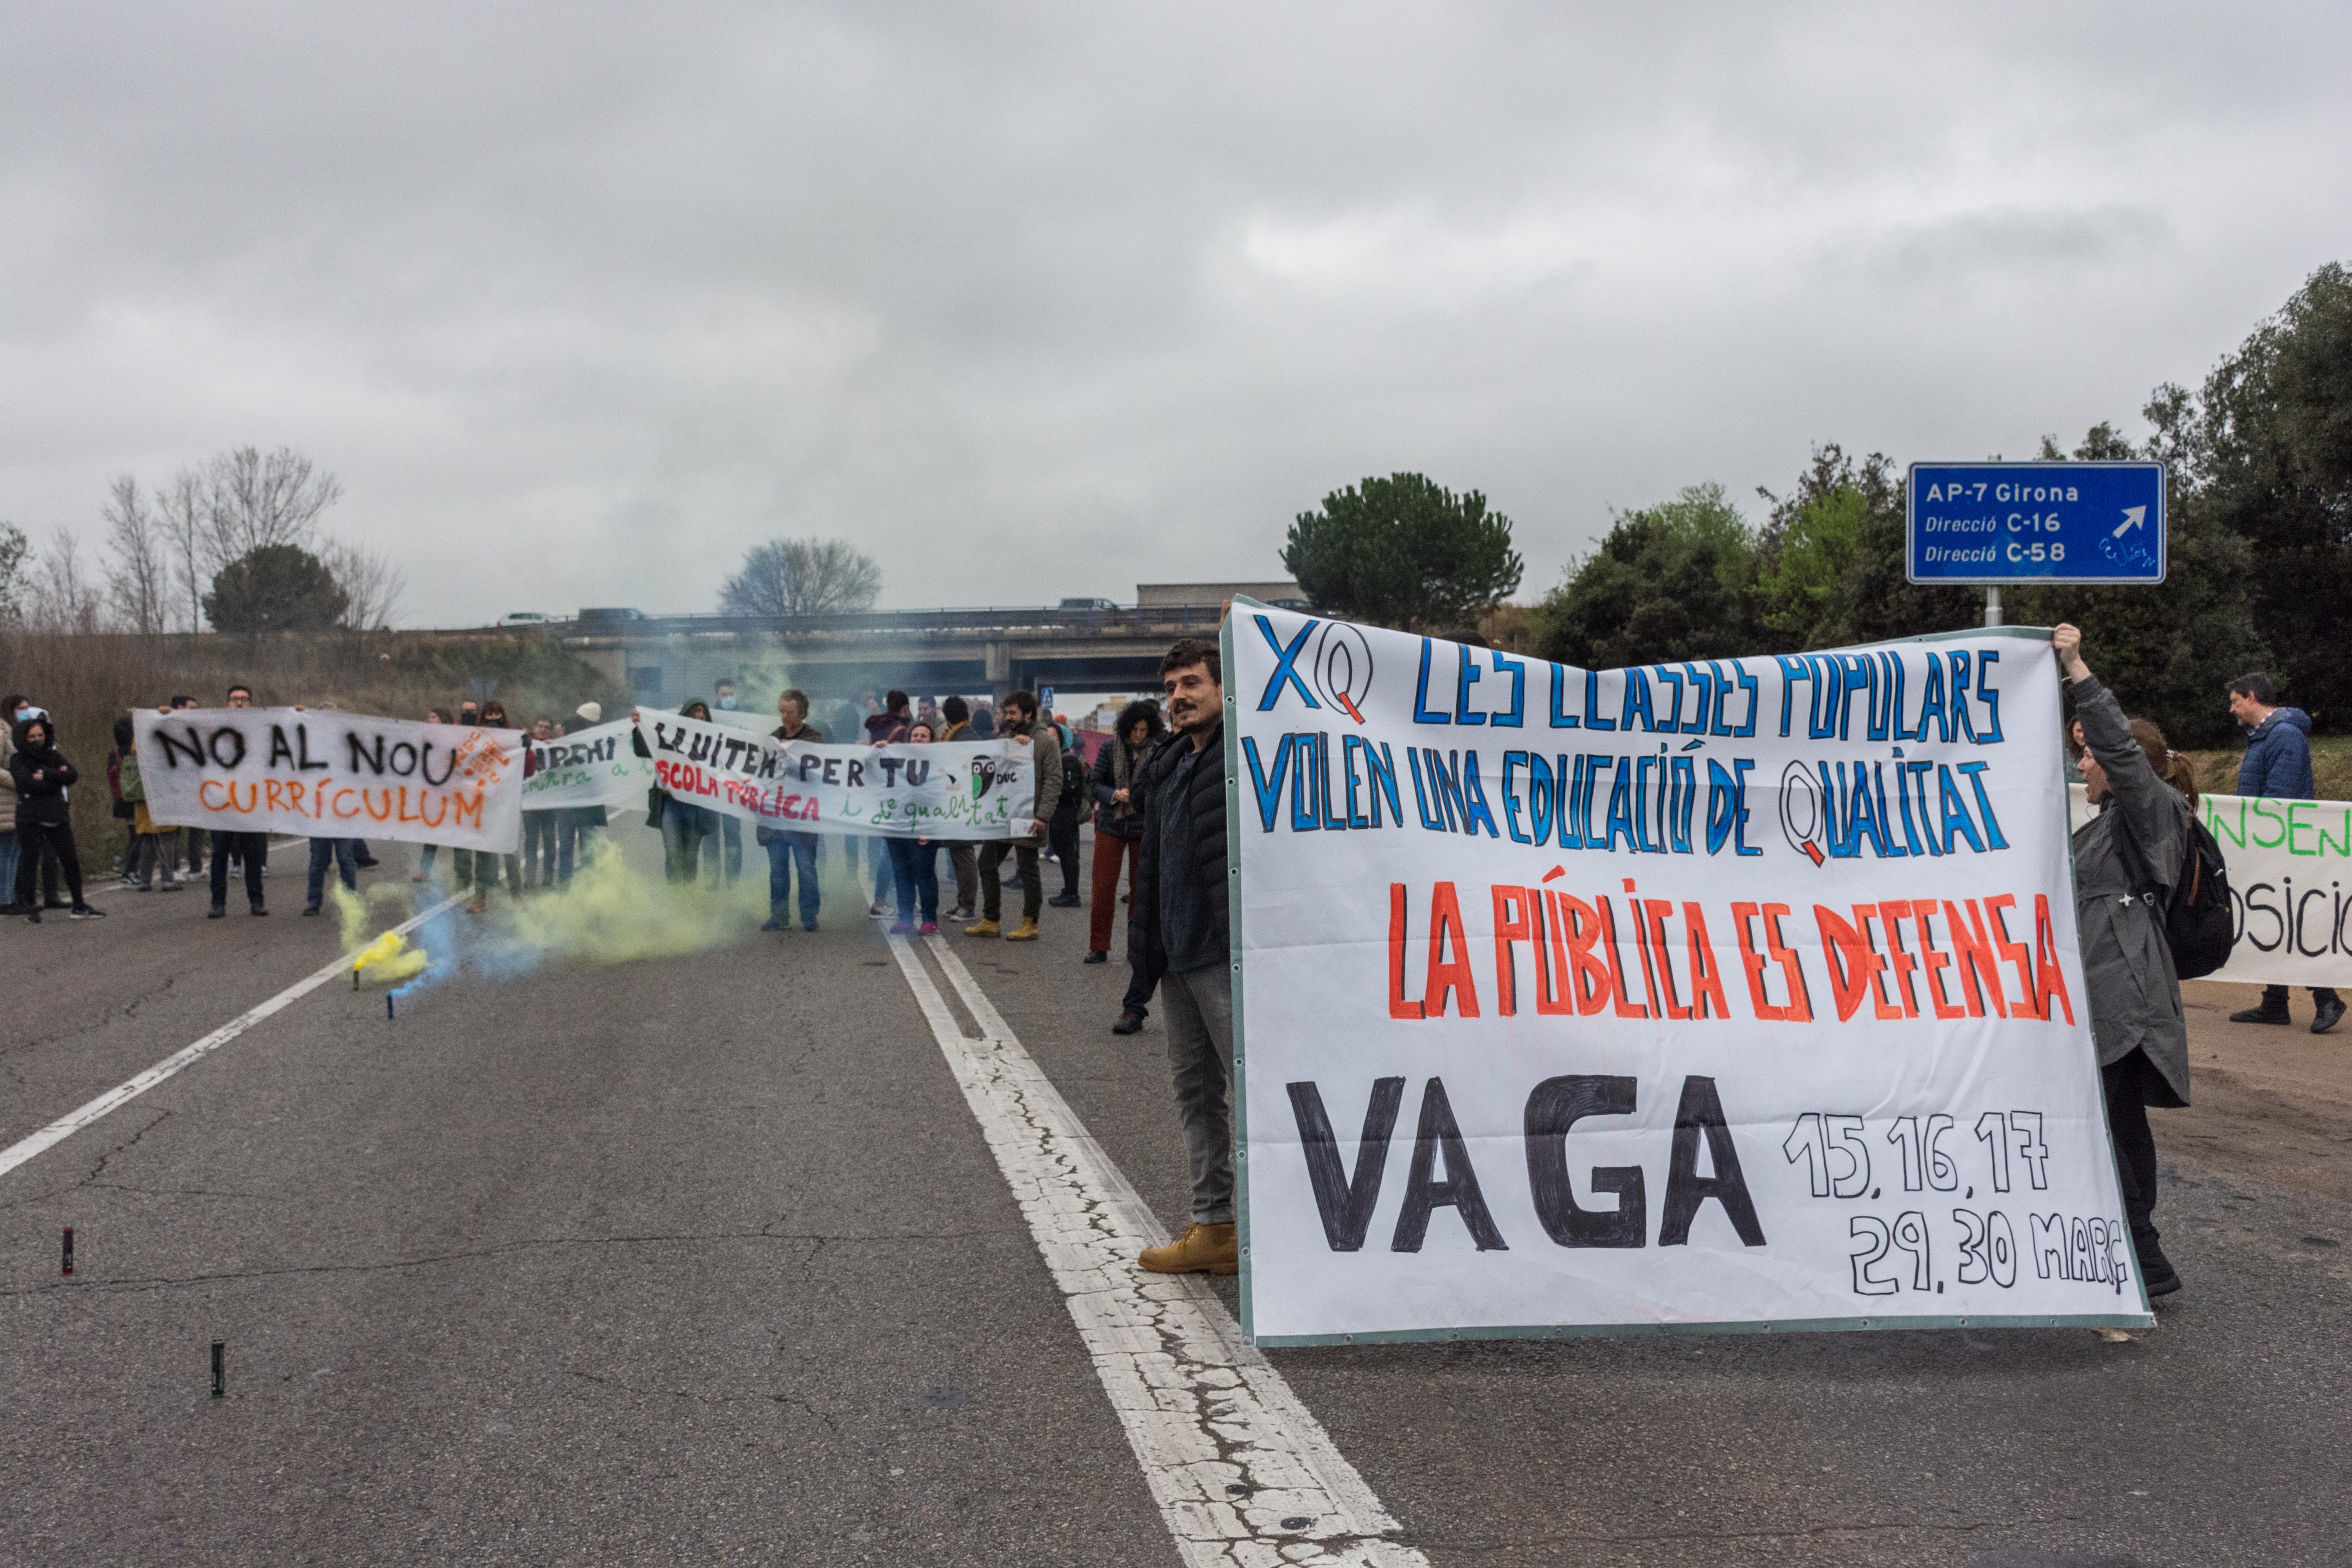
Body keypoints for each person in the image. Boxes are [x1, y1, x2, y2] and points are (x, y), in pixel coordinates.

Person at [2057, 623, 2191, 1297]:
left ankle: (2145, 1256)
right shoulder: (2115, 822)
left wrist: (2078, 670)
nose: (2081, 765)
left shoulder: (2150, 807)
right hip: (2119, 984)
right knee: (2120, 1116)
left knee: (2104, 1118)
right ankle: (2140, 1249)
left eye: (2089, 758)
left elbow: (2116, 746)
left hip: (2126, 986)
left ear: (2121, 763)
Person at [1131, 639, 1232, 1275]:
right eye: (1171, 688)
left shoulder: (1244, 753)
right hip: (1176, 955)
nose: (1179, 698)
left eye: (1192, 683)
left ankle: (1293, 1233)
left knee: (1254, 1095)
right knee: (1195, 1095)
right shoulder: (1170, 764)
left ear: (1224, 687)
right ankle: (1214, 1227)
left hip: (1225, 955)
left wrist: (1243, 628)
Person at [2225, 673, 2343, 1034]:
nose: (2232, 710)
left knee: (2291, 920)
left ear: (2252, 697)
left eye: (2235, 702)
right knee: (2273, 918)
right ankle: (2275, 1003)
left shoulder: (2284, 735)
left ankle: (2327, 998)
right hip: (2270, 842)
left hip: (2281, 843)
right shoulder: (2265, 736)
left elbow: (2280, 799)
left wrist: (2253, 831)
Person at [967, 690, 1060, 941]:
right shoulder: (1006, 739)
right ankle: (991, 919)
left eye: (1013, 713)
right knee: (986, 863)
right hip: (1003, 817)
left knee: (1028, 868)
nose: (1007, 718)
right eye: (1006, 713)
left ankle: (1031, 922)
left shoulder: (1044, 742)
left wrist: (1042, 817)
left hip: (1029, 817)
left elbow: (1054, 780)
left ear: (1028, 714)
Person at [1089, 702, 1163, 996]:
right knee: (1103, 887)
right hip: (1110, 824)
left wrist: (1141, 796)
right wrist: (1113, 794)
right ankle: (1098, 946)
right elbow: (1095, 783)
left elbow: (1159, 788)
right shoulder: (1110, 749)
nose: (1138, 735)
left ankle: (1137, 949)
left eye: (1144, 730)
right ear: (1126, 728)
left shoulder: (1157, 751)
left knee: (1140, 891)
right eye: (1134, 729)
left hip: (1141, 826)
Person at [10, 715, 102, 921]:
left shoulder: (53, 755)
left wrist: (45, 775)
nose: (37, 740)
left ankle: (79, 904)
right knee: (30, 862)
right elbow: (26, 784)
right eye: (32, 737)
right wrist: (55, 780)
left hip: (57, 815)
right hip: (30, 818)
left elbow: (71, 776)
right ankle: (32, 907)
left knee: (70, 859)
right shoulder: (18, 759)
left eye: (40, 735)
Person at [759, 689, 824, 931]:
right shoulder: (773, 738)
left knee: (805, 867)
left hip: (801, 816)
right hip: (775, 817)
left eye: (790, 712)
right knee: (777, 870)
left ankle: (809, 915)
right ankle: (779, 915)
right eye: (782, 711)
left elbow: (819, 768)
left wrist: (793, 749)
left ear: (802, 713)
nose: (784, 717)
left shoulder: (814, 739)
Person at [636, 699, 719, 886]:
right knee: (673, 852)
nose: (701, 715)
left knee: (690, 854)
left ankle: (688, 898)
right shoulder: (669, 736)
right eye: (697, 711)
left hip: (696, 805)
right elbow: (643, 750)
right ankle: (675, 898)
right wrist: (641, 729)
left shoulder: (713, 742)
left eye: (704, 712)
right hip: (671, 804)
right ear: (686, 715)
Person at [457, 699, 526, 912]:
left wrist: (526, 748)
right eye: (489, 715)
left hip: (505, 805)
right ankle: (480, 899)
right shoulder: (474, 740)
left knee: (509, 853)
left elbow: (528, 769)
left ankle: (517, 897)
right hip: (482, 805)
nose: (493, 718)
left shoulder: (513, 740)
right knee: (483, 855)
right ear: (483, 717)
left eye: (497, 714)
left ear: (503, 716)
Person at [210, 683, 268, 917]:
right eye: (235, 699)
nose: (240, 702)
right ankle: (217, 902)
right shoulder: (215, 726)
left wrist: (298, 713)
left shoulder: (261, 728)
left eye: (244, 698)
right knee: (220, 854)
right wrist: (165, 715)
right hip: (221, 803)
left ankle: (257, 901)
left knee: (252, 855)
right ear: (228, 703)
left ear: (251, 703)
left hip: (249, 804)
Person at [883, 719, 942, 935]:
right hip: (898, 827)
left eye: (924, 736)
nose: (919, 739)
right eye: (915, 735)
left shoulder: (940, 764)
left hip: (925, 828)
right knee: (902, 874)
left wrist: (932, 828)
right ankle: (905, 918)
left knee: (924, 873)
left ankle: (929, 919)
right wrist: (879, 751)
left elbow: (944, 798)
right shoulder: (896, 759)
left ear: (931, 741)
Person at [114, 715, 181, 891]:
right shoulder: (164, 741)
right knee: (167, 836)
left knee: (147, 837)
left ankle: (146, 880)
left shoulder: (138, 740)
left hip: (142, 794)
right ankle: (167, 880)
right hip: (163, 792)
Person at [863, 692, 913, 916]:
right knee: (896, 851)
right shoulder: (903, 730)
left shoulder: (876, 728)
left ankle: (892, 900)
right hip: (902, 795)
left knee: (890, 848)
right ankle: (883, 901)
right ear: (904, 708)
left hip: (881, 795)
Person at [937, 697, 979, 920]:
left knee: (964, 854)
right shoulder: (963, 736)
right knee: (958, 854)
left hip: (961, 805)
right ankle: (963, 901)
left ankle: (968, 906)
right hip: (959, 804)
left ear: (947, 717)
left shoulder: (961, 739)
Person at [560, 701, 608, 882]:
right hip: (568, 800)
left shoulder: (602, 738)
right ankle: (567, 881)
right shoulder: (566, 737)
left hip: (587, 800)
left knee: (586, 842)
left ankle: (586, 881)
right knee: (567, 843)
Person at [1045, 716, 1086, 907]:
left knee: (1069, 855)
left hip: (1066, 814)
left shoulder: (1068, 760)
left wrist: (1051, 789)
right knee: (1063, 853)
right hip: (1058, 814)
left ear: (1062, 739)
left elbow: (1072, 789)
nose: (1050, 739)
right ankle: (1069, 890)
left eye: (1054, 736)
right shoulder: (1054, 759)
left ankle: (1072, 894)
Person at [520, 717, 564, 889]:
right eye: (540, 726)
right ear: (534, 727)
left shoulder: (555, 745)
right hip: (531, 802)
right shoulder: (526, 742)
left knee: (549, 840)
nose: (543, 729)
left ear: (551, 730)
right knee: (531, 840)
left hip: (549, 802)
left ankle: (548, 876)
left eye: (547, 727)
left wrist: (560, 740)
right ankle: (529, 877)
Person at [711, 679, 745, 886]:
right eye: (724, 695)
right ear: (716, 696)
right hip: (711, 786)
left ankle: (733, 882)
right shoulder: (705, 717)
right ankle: (712, 881)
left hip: (733, 786)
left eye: (731, 694)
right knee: (711, 836)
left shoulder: (744, 719)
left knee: (733, 834)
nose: (728, 698)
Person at [414, 708, 453, 883]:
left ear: (443, 720)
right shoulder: (423, 737)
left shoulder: (454, 737)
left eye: (433, 717)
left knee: (458, 832)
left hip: (452, 791)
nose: (429, 720)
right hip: (432, 791)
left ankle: (461, 870)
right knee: (432, 833)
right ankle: (425, 870)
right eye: (429, 716)